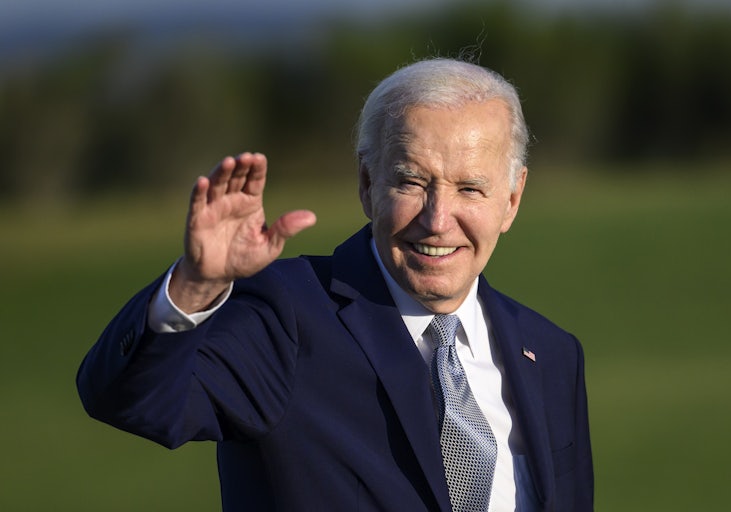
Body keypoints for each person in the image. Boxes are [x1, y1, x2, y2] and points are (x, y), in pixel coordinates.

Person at [77, 58, 593, 511]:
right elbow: (131, 402)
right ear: (368, 183)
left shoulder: (551, 355)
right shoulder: (287, 315)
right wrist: (194, 286)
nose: (438, 219)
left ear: (511, 199)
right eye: (412, 182)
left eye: (469, 188)